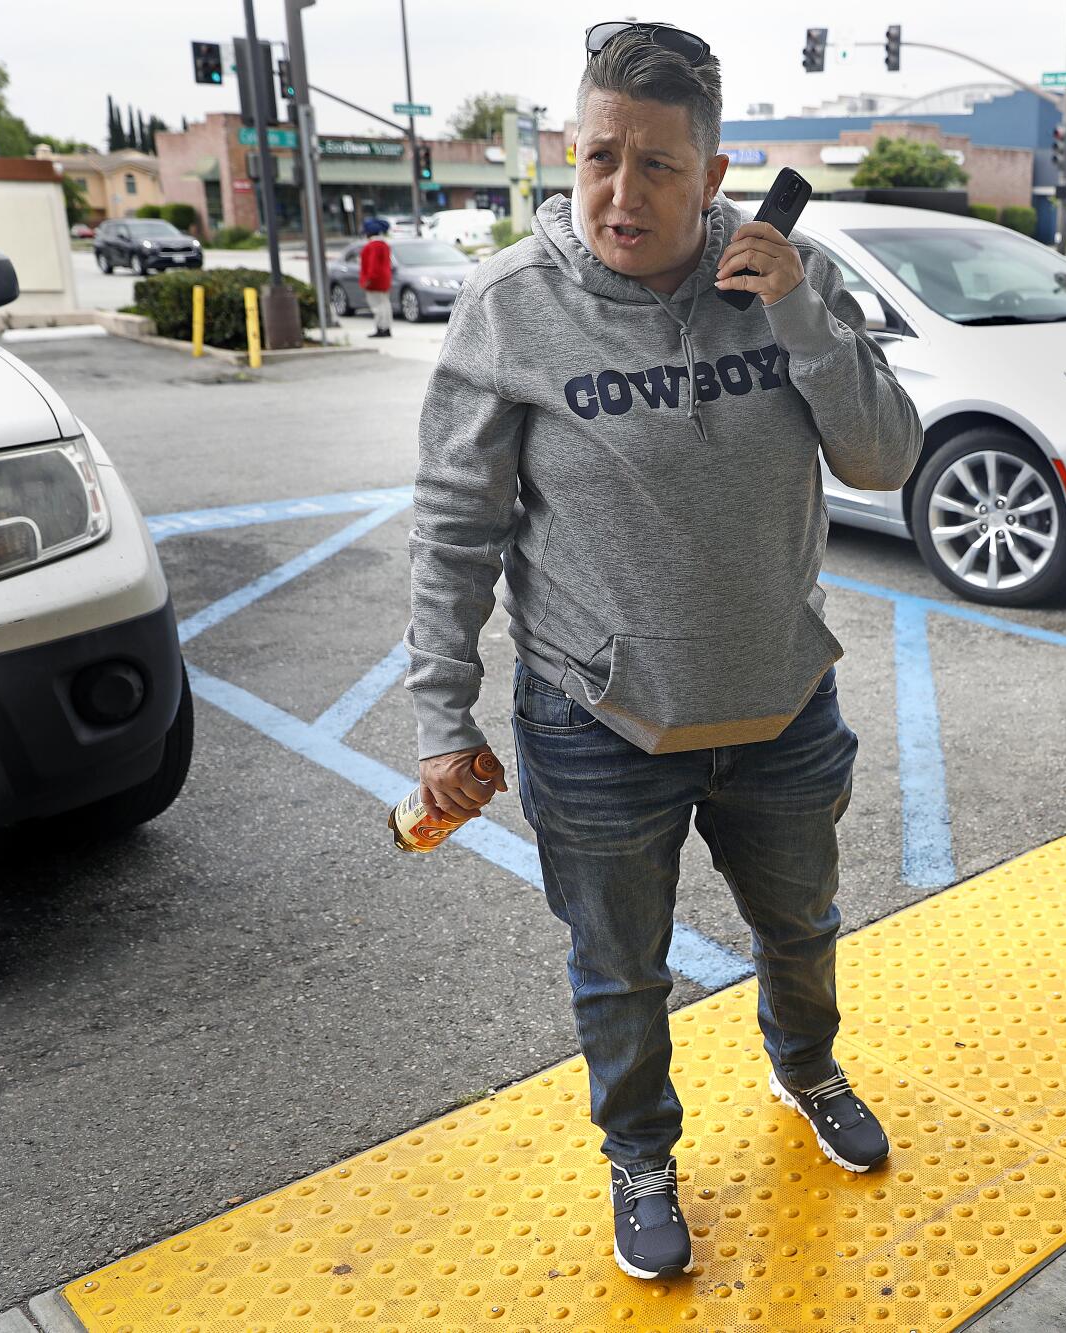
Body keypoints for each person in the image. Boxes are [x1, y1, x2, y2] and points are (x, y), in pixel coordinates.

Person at [402, 22, 922, 1281]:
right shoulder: (511, 310)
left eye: (656, 167)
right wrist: (441, 716)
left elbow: (884, 457)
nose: (618, 196)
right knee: (618, 971)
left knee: (801, 929)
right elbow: (454, 527)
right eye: (597, 158)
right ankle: (639, 1151)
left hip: (781, 703)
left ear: (713, 170)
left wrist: (799, 310)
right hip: (598, 726)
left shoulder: (786, 279)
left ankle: (805, 1069)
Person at [359, 217, 393, 338]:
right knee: (385, 304)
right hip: (384, 279)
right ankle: (387, 327)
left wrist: (368, 280)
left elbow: (372, 265)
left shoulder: (372, 246)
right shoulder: (384, 244)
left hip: (374, 281)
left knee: (377, 306)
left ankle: (381, 328)